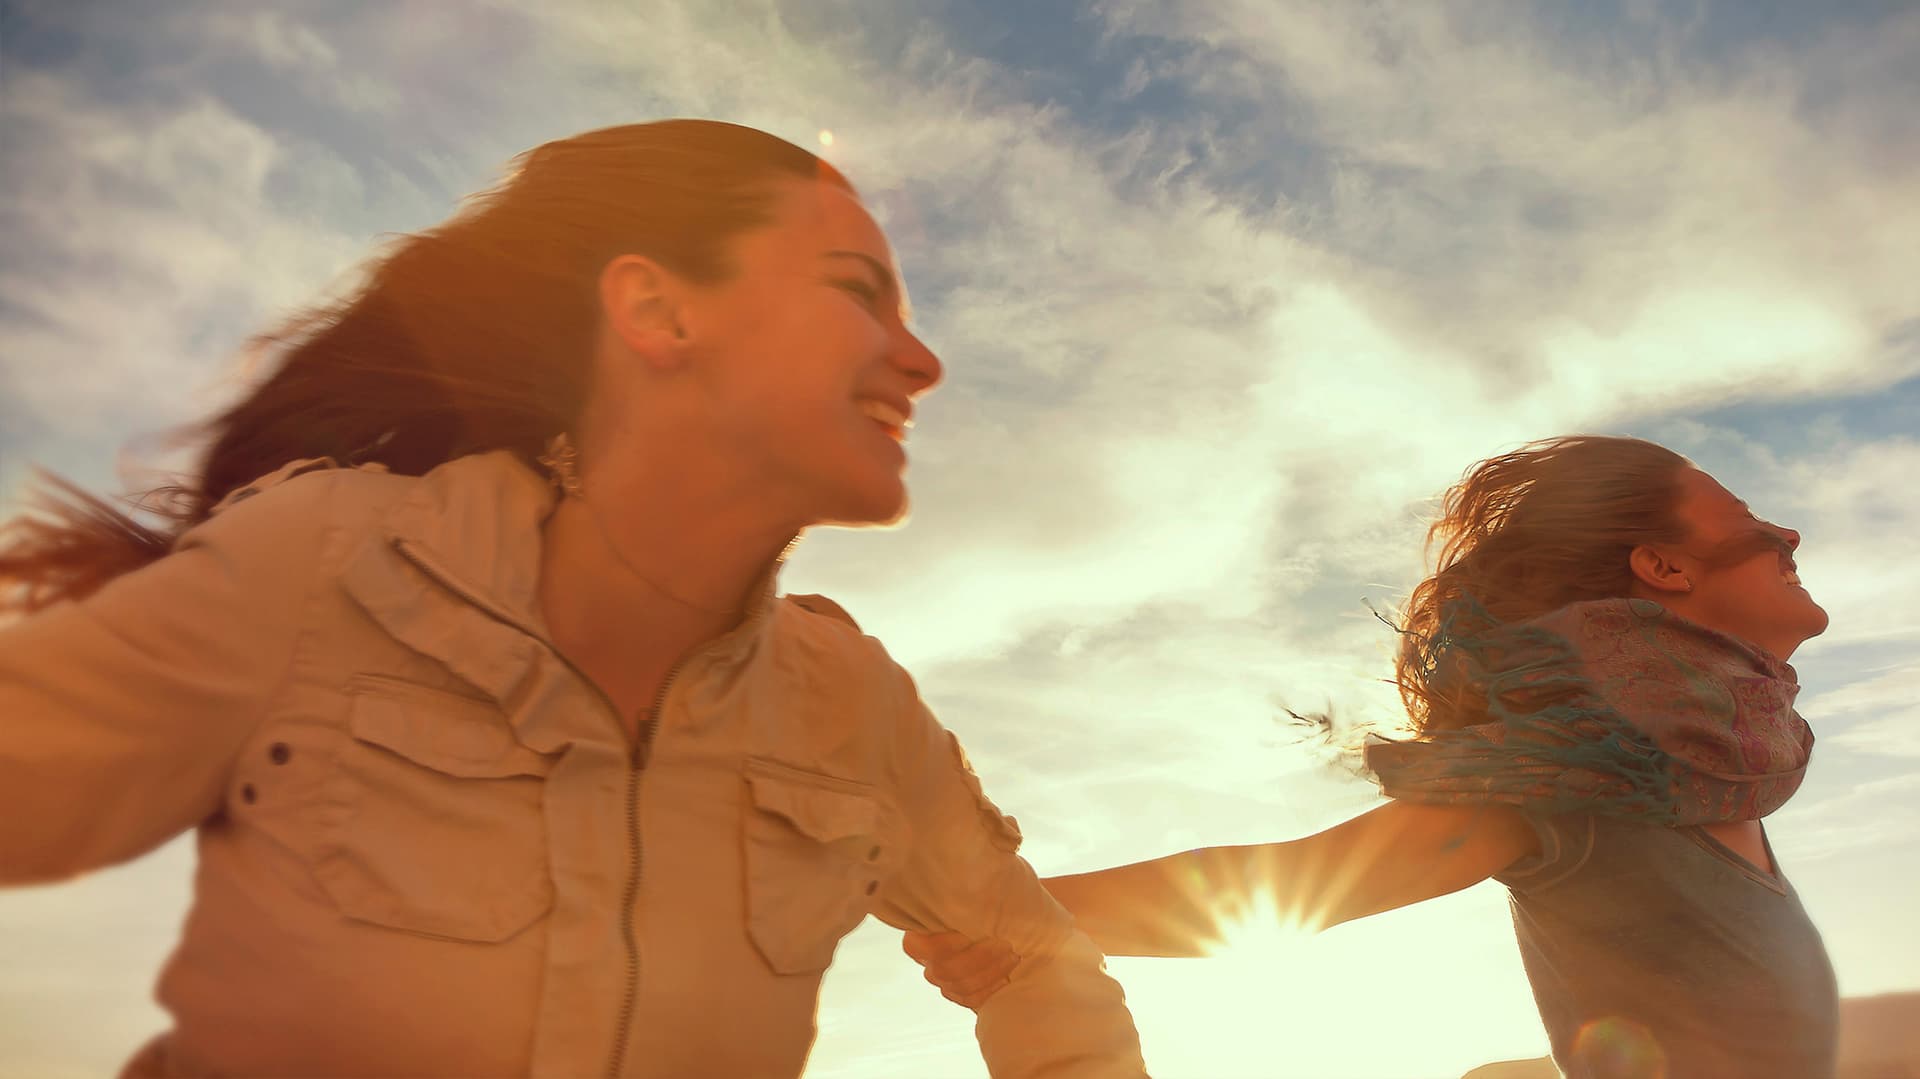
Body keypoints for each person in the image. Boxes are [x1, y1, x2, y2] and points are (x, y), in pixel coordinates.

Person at [0, 120, 1146, 1078]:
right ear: (657, 313)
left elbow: (1036, 961)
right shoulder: (325, 557)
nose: (922, 361)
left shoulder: (855, 702)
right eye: (858, 292)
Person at [909, 435, 1838, 1079]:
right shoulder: (1562, 787)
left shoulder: (1706, 768)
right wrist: (989, 912)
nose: (1786, 533)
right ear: (1665, 568)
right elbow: (1291, 883)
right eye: (1750, 515)